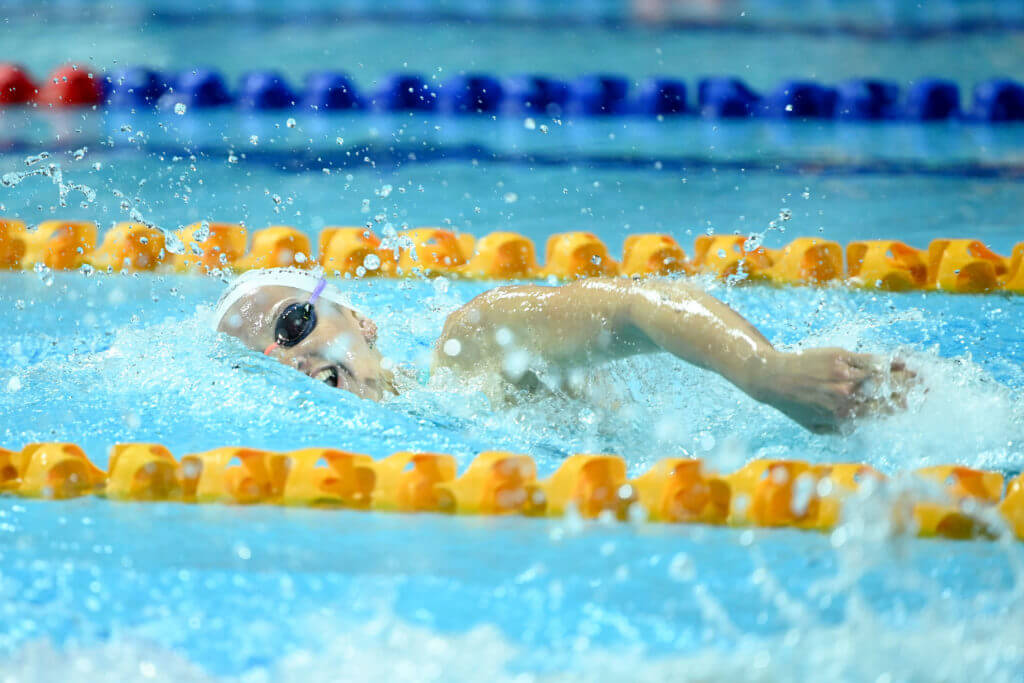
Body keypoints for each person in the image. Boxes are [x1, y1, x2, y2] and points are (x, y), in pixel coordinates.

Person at [213, 268, 911, 434]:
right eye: (264, 356)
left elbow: (639, 304)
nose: (289, 355)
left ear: (360, 319)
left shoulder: (474, 343)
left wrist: (770, 372)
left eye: (294, 321)